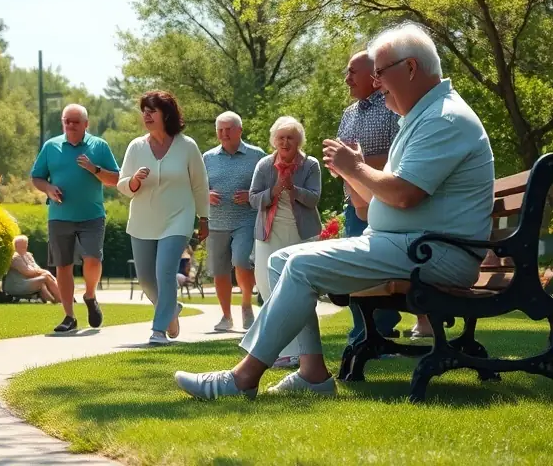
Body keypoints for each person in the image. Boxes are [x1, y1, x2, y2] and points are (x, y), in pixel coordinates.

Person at [174, 22, 494, 400]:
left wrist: (356, 168)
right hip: (411, 244)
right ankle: (312, 373)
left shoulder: (443, 118)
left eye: (380, 73)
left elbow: (405, 195)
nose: (376, 84)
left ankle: (242, 378)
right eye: (374, 74)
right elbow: (380, 201)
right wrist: (351, 171)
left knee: (300, 265)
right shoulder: (422, 117)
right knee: (280, 260)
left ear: (410, 69)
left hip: (433, 251)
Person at [118, 91, 209, 345]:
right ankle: (171, 309)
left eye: (152, 110)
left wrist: (204, 218)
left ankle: (158, 330)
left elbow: (200, 185)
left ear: (166, 114)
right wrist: (134, 181)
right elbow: (122, 184)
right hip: (142, 221)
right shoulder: (136, 147)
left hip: (178, 219)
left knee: (165, 272)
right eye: (144, 110)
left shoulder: (187, 146)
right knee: (146, 280)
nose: (146, 115)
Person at [31, 103, 120, 333]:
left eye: (75, 121)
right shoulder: (51, 147)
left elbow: (115, 179)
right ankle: (69, 316)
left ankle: (90, 295)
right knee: (63, 265)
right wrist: (49, 189)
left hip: (92, 215)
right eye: (66, 121)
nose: (70, 125)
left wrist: (94, 169)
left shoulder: (99, 146)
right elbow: (37, 177)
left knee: (93, 259)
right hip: (60, 216)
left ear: (86, 124)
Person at [337, 51, 403, 345]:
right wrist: (342, 165)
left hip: (385, 201)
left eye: (352, 72)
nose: (347, 78)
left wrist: (356, 165)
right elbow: (344, 156)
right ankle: (362, 333)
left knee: (381, 272)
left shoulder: (393, 107)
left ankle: (381, 332)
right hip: (354, 203)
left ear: (373, 77)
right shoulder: (348, 114)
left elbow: (398, 158)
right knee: (353, 273)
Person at [249, 116, 322, 368]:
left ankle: (299, 353)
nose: (285, 142)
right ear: (274, 141)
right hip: (268, 234)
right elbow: (253, 199)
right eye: (281, 137)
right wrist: (276, 189)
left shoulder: (310, 165)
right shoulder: (264, 165)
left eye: (290, 137)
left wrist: (293, 190)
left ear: (299, 140)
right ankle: (276, 350)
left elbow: (313, 199)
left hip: (301, 235)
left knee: (297, 292)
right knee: (268, 289)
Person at [199, 111, 265, 333]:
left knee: (242, 260)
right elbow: (195, 187)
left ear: (239, 130)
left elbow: (269, 186)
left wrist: (250, 196)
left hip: (246, 219)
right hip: (216, 222)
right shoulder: (207, 157)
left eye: (228, 129)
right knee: (219, 271)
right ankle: (226, 316)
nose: (224, 134)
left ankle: (246, 305)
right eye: (220, 130)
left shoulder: (257, 156)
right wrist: (205, 195)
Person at [5, 235, 60, 302]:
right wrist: (45, 272)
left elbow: (37, 268)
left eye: (25, 244)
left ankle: (55, 302)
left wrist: (44, 272)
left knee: (43, 282)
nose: (25, 246)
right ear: (15, 246)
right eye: (22, 245)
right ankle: (62, 300)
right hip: (17, 285)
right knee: (45, 277)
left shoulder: (28, 255)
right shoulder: (15, 258)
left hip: (28, 282)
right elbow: (28, 272)